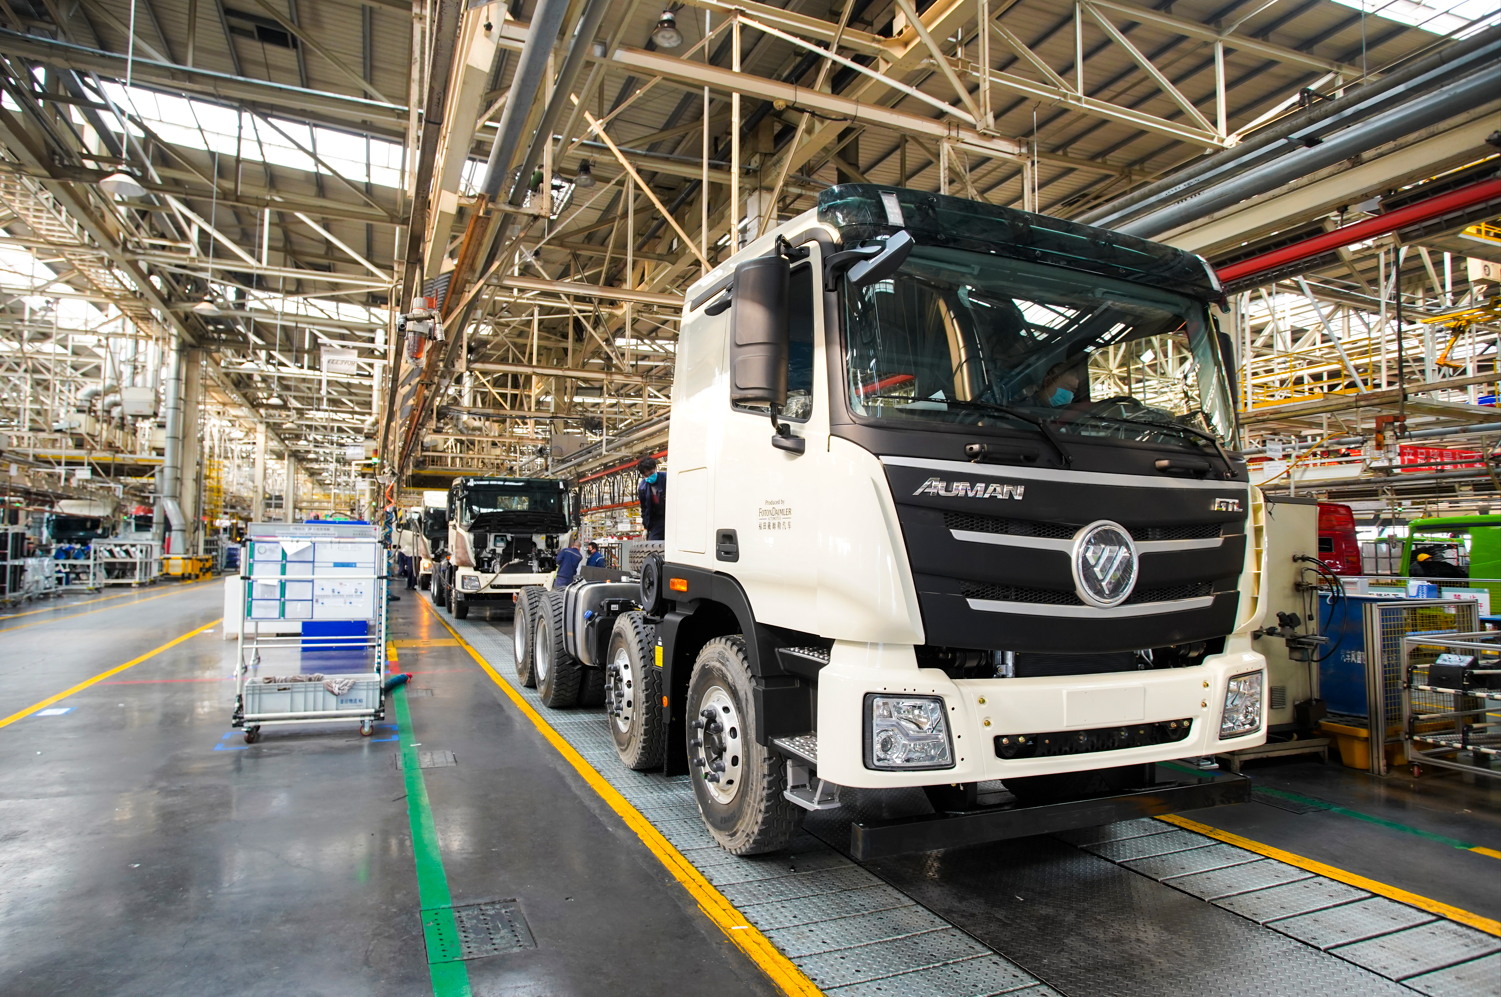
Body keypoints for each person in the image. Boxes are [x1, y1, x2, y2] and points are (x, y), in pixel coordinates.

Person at [637, 457, 666, 541]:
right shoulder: (642, 488)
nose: (649, 476)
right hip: (658, 518)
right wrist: (646, 527)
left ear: (656, 468)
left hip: (673, 515)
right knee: (653, 541)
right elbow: (644, 509)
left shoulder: (667, 479)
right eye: (646, 475)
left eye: (651, 473)